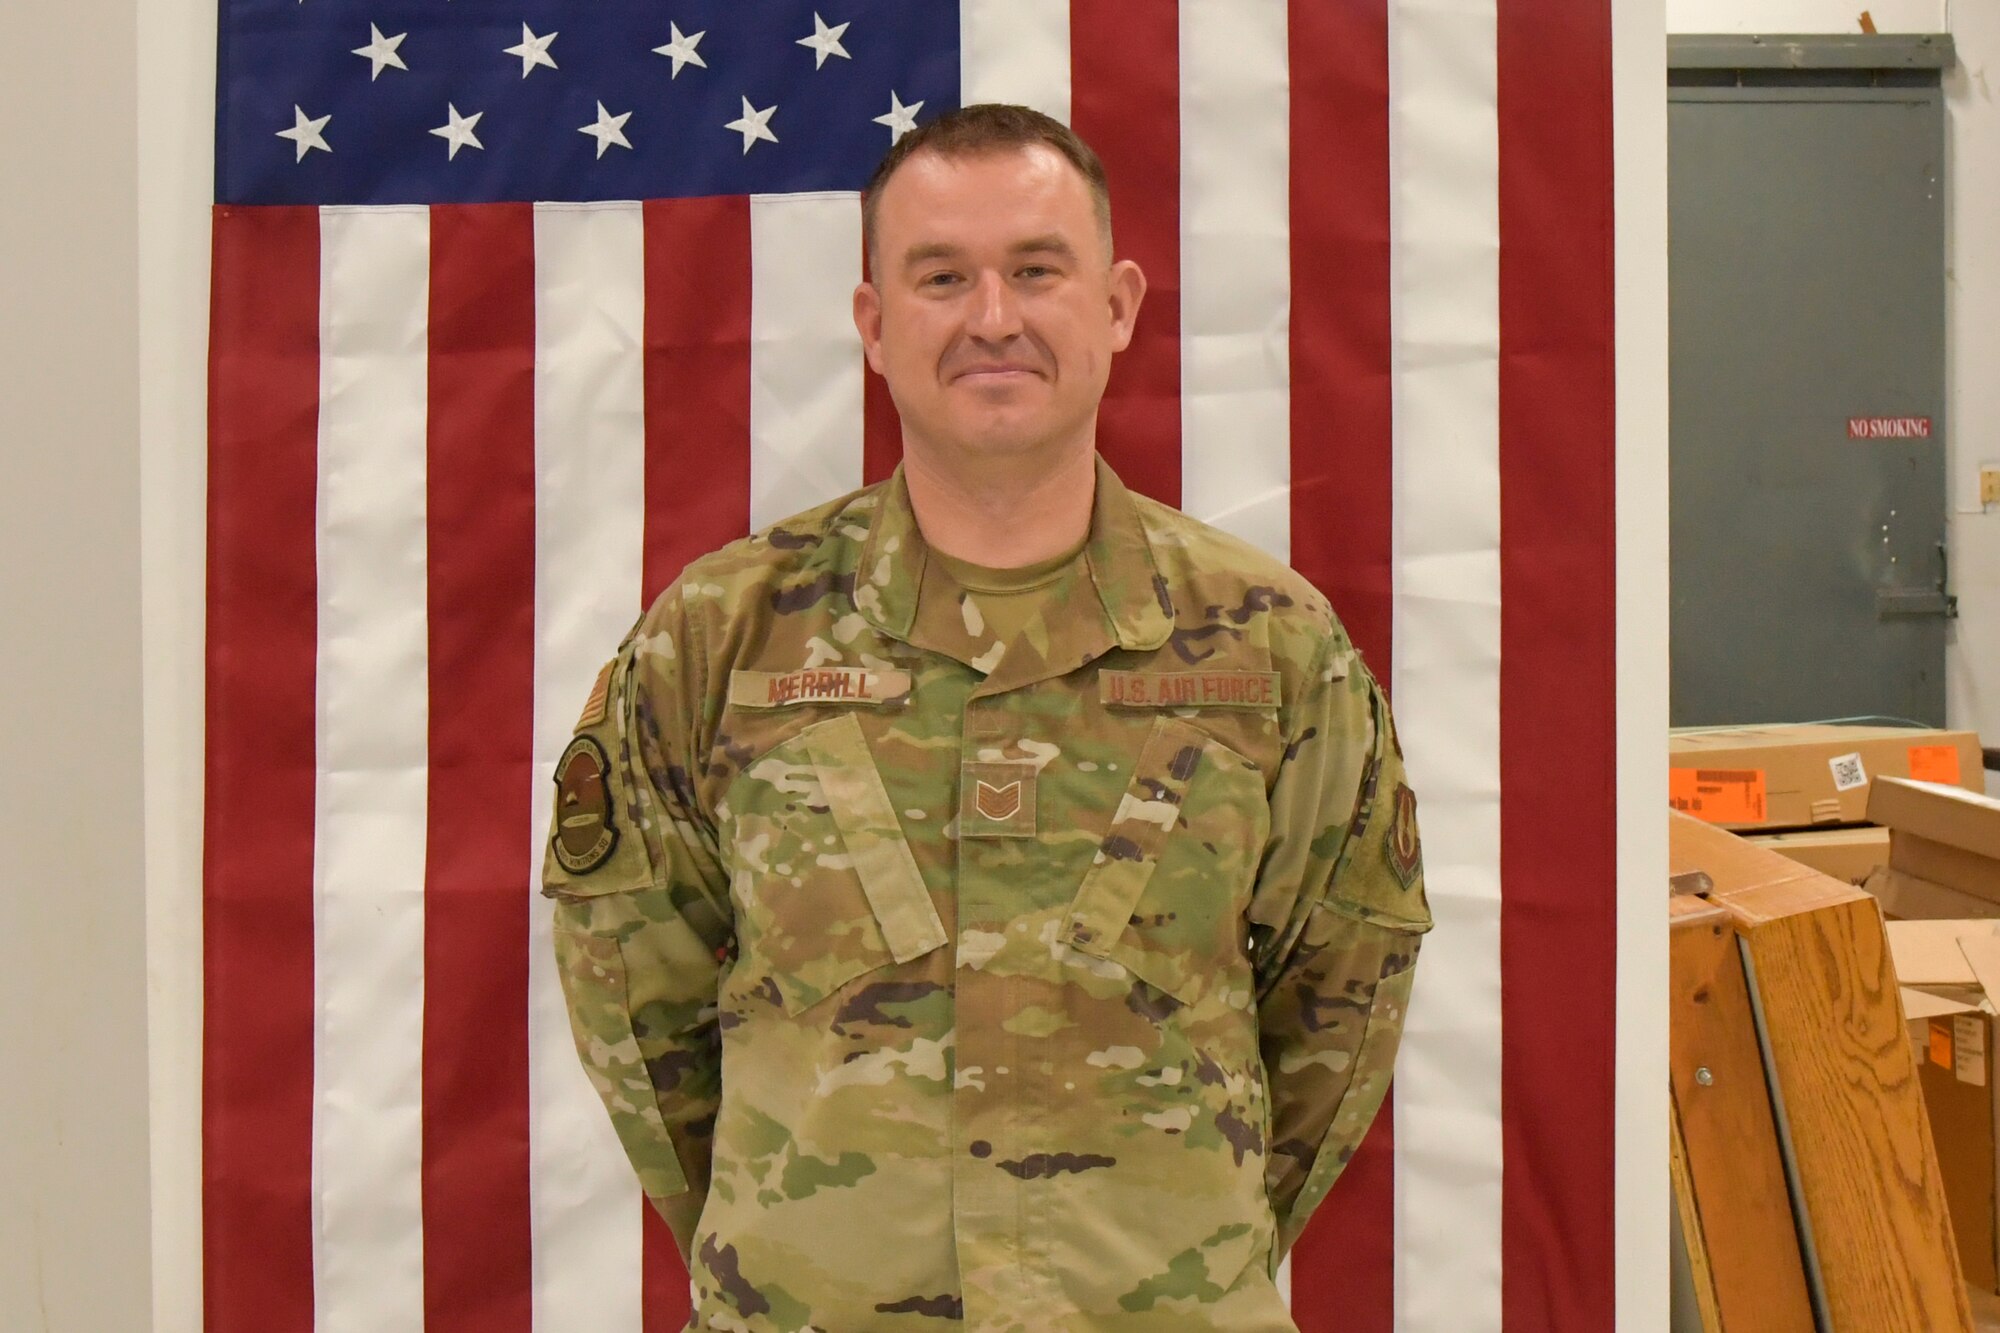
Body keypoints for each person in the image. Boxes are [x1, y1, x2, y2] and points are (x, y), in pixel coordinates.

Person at [543, 103, 1432, 1331]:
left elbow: (1338, 994)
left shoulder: (1269, 646)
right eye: (941, 277)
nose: (992, 318)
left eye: (1034, 270)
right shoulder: (724, 637)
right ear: (873, 324)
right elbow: (636, 998)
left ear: (1115, 305)